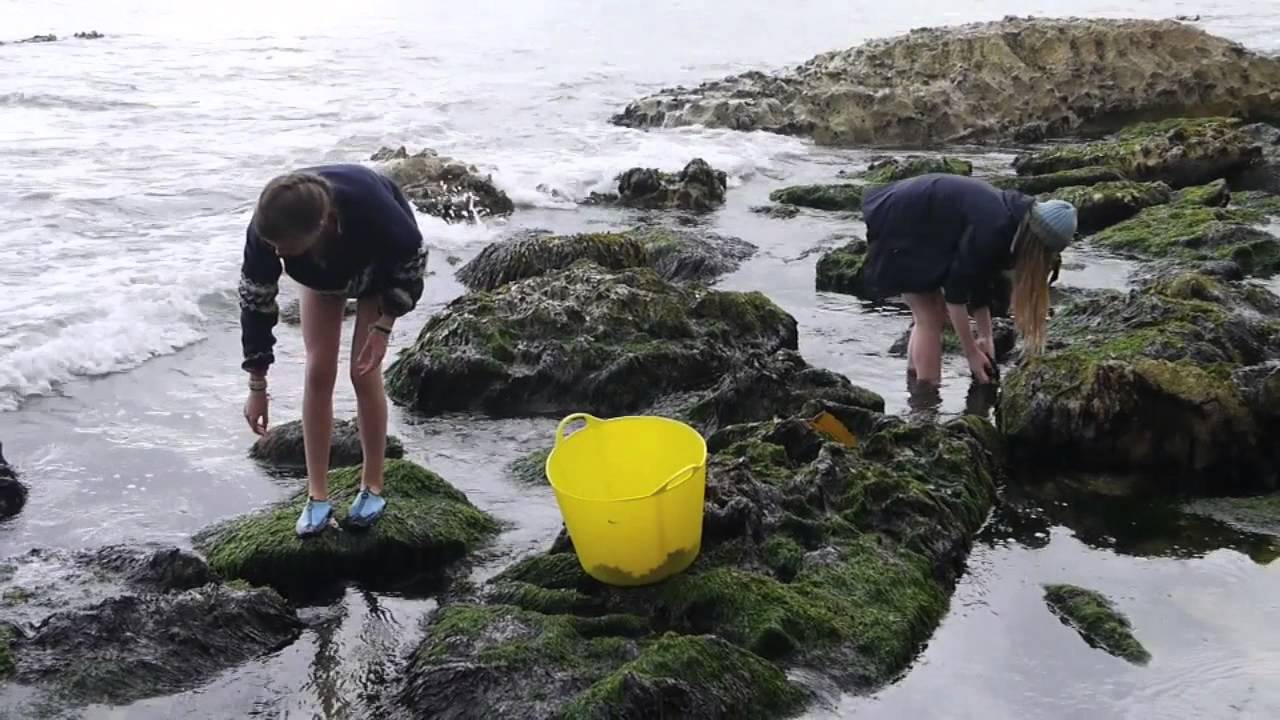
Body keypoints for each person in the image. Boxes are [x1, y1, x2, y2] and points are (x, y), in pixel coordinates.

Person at [239, 164, 427, 537]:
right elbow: (255, 302)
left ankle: (372, 485)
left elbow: (410, 263)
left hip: (376, 268)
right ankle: (317, 497)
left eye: (282, 248)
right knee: (319, 370)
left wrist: (384, 324)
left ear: (320, 227)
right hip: (319, 276)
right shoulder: (268, 228)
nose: (274, 252)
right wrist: (257, 386)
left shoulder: (374, 212)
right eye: (272, 245)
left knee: (364, 370)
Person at [860, 173, 1077, 386]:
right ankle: (926, 399)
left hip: (916, 215)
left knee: (928, 313)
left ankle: (916, 384)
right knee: (930, 315)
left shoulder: (1012, 220)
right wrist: (971, 353)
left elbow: (978, 283)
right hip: (902, 215)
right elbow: (956, 294)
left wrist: (986, 336)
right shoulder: (995, 227)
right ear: (1038, 245)